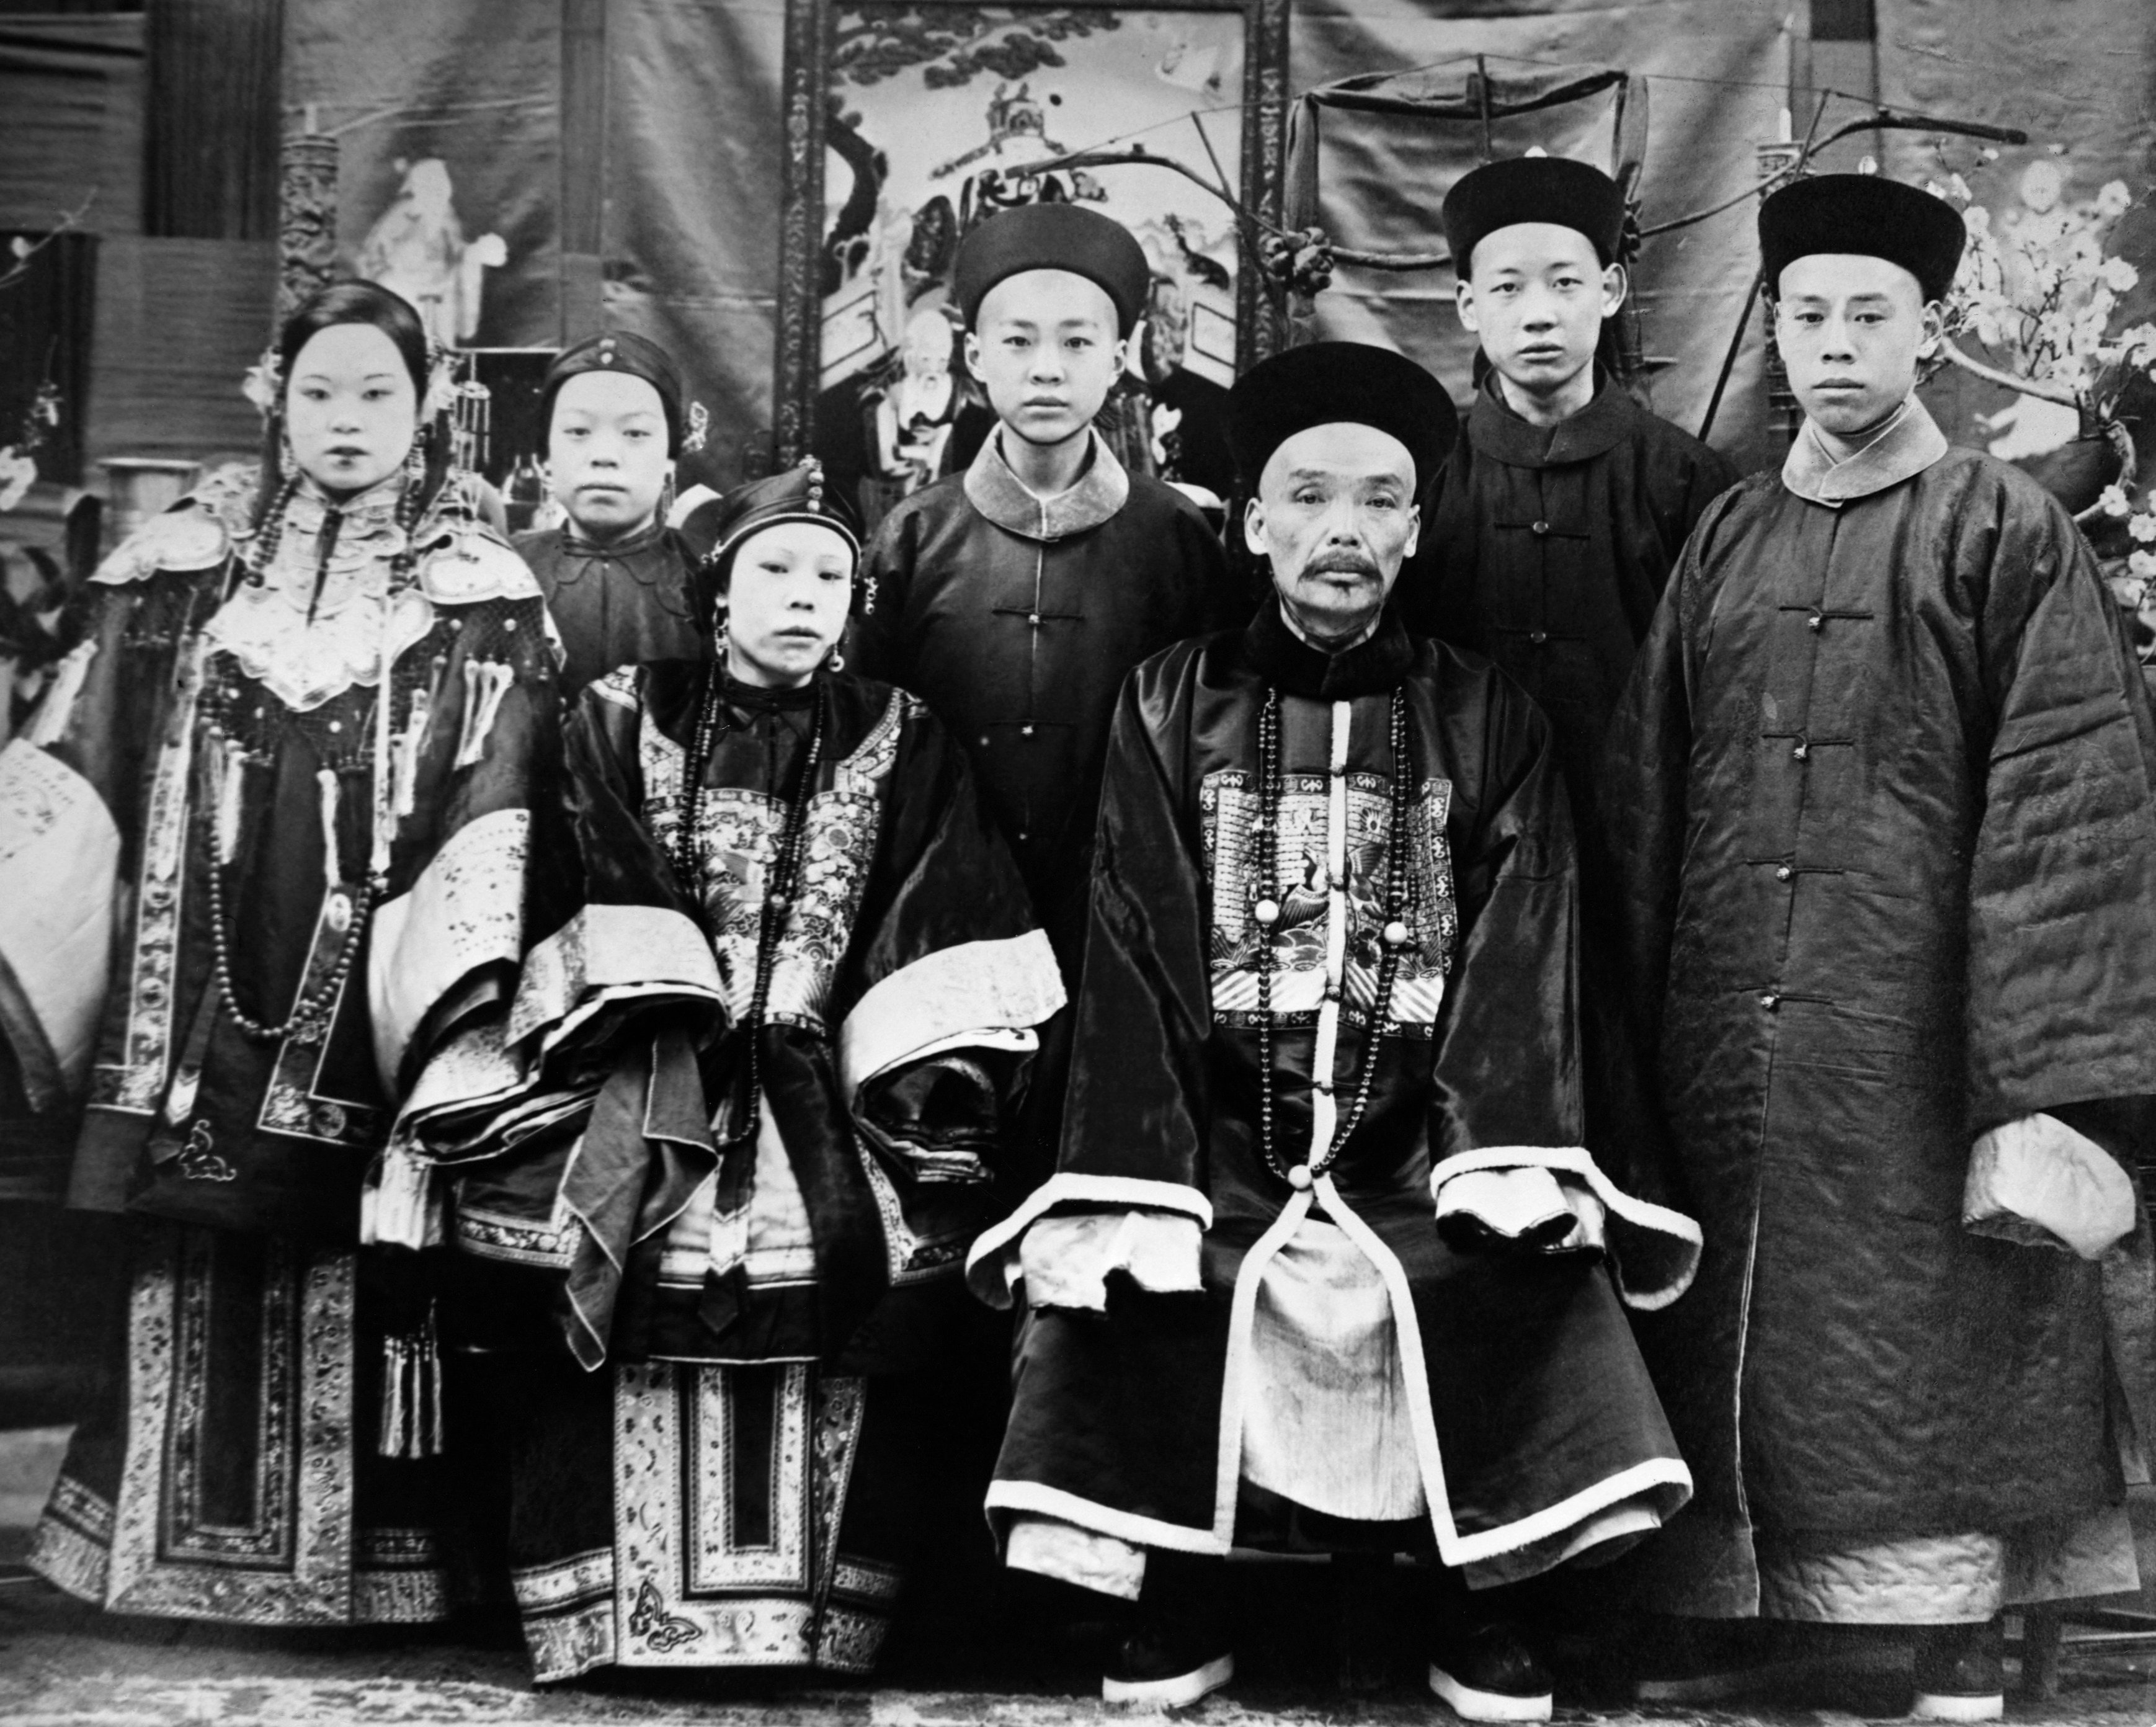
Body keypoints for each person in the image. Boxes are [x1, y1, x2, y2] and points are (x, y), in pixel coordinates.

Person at [971, 341, 1702, 1720]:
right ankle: (1186, 1578)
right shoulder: (1165, 701)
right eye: (1308, 499)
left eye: (1377, 503)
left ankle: (1464, 1586)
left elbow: (1519, 955)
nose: (1343, 533)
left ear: (1416, 530)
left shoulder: (1489, 715)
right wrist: (1164, 1161)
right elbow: (1134, 940)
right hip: (1222, 1126)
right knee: (1156, 1272)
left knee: (1498, 1267)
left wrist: (1482, 1154)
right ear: (1252, 523)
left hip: (1415, 1139)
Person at [1598, 174, 2156, 1721]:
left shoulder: (2002, 528)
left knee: (1928, 1313)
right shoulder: (1726, 535)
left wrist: (2032, 1072)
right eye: (1807, 316)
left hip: (1917, 1016)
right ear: (1771, 333)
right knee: (1739, 1309)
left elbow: (2065, 805)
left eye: (1870, 315)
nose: (1835, 345)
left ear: (1928, 331)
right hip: (1728, 1011)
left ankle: (1949, 1624)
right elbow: (1653, 790)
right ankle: (1758, 1606)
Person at [421, 461, 1065, 1681]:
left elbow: (941, 895)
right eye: (775, 568)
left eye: (830, 574)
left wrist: (884, 1070)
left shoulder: (900, 731)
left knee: (852, 1242)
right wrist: (667, 995)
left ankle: (812, 1622)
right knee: (610, 1231)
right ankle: (609, 1612)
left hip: (830, 1070)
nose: (802, 596)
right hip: (644, 1052)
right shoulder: (624, 709)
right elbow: (584, 860)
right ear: (719, 591)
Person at [4, 280, 559, 1625]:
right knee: (187, 1232)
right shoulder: (172, 573)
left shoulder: (481, 595)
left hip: (368, 981)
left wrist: (450, 998)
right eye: (321, 390)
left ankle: (355, 1573)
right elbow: (84, 762)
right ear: (274, 398)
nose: (348, 420)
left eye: (379, 391)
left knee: (350, 1253)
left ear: (428, 402)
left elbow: (502, 793)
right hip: (185, 987)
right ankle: (151, 1554)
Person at [852, 201, 1232, 984]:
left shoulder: (1174, 536)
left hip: (1124, 911)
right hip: (939, 908)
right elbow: (866, 736)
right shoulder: (914, 535)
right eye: (1017, 341)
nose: (1047, 368)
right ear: (974, 354)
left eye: (1076, 342)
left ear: (1121, 355)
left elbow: (1212, 738)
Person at [1407, 155, 1736, 836]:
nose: (1538, 316)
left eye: (1564, 283)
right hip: (1457, 836)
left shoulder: (1688, 482)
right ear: (1467, 304)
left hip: (1638, 836)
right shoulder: (1425, 477)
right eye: (1506, 289)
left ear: (1610, 289)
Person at [517, 331, 703, 692]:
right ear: (545, 456)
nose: (604, 455)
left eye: (634, 433)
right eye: (578, 431)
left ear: (671, 457)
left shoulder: (711, 584)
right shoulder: (505, 572)